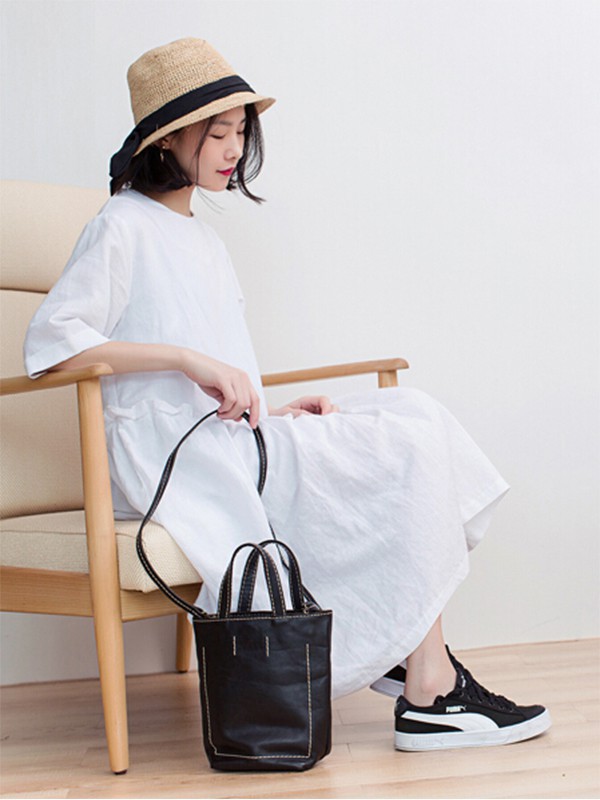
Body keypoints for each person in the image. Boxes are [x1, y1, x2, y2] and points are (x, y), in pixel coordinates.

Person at [23, 37, 551, 751]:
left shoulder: (202, 240)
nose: (234, 149)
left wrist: (273, 410)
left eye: (240, 132)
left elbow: (222, 368)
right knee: (396, 449)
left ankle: (420, 664)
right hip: (173, 462)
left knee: (409, 417)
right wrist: (183, 359)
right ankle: (430, 686)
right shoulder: (119, 227)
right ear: (168, 137)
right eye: (218, 133)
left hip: (229, 437)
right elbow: (52, 346)